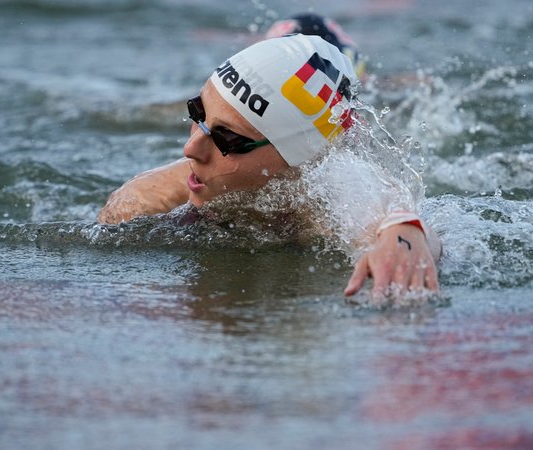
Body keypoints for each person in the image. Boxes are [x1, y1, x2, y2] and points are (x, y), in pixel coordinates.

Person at [97, 28, 441, 299]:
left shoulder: (324, 199)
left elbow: (393, 217)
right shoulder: (146, 201)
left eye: (227, 139)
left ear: (296, 162)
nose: (190, 148)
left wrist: (405, 236)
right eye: (196, 112)